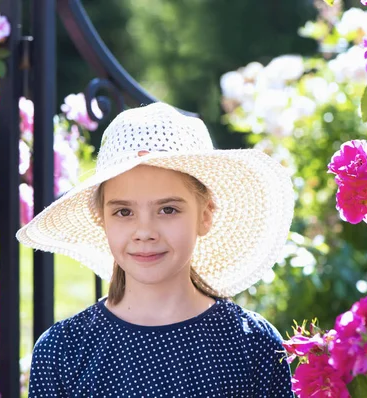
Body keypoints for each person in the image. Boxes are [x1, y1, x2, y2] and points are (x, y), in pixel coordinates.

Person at [17, 102, 295, 397]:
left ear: (205, 215)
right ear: (102, 219)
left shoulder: (252, 345)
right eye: (124, 212)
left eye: (168, 209)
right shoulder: (62, 352)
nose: (145, 232)